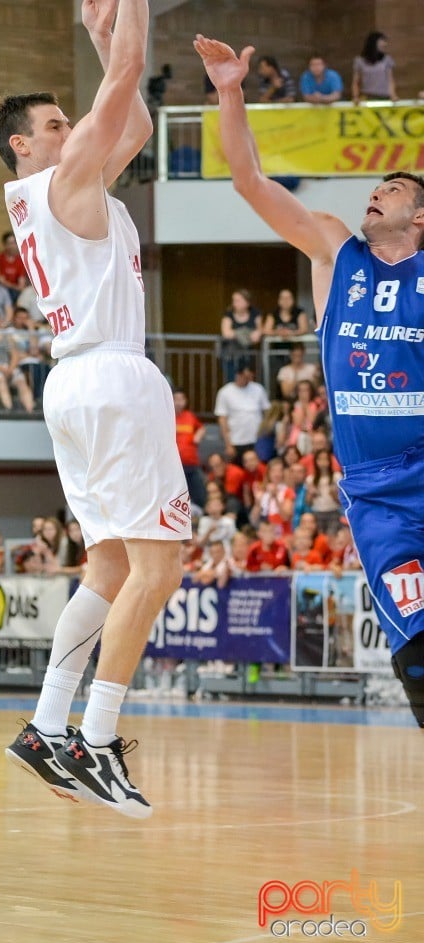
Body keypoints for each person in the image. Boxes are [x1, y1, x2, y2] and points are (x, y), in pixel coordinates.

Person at [0, 0, 189, 817]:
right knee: (160, 566)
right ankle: (99, 736)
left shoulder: (67, 187)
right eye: (55, 120)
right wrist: (130, 11)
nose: (71, 127)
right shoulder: (61, 179)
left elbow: (131, 120)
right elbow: (126, 86)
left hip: (73, 385)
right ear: (23, 145)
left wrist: (100, 34)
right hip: (110, 377)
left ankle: (45, 723)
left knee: (108, 565)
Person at [195, 31, 424, 724]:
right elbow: (249, 182)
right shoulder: (333, 250)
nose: (377, 193)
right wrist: (230, 92)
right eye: (377, 186)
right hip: (377, 493)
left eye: (394, 189)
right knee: (416, 655)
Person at [214, 361, 270, 464]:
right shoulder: (225, 392)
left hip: (256, 439)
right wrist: (228, 444)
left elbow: (267, 412)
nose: (247, 380)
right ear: (238, 375)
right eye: (245, 376)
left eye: (250, 377)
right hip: (236, 440)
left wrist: (265, 433)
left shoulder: (258, 389)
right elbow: (222, 419)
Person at [173, 388, 207, 511]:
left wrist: (198, 435)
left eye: (181, 399)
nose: (178, 402)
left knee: (199, 494)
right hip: (175, 465)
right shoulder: (167, 416)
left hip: (191, 463)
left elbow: (202, 428)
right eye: (175, 399)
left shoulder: (190, 417)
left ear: (185, 401)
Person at [352, 31, 398, 103]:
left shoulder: (387, 59)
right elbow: (356, 82)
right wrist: (355, 97)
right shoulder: (359, 61)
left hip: (384, 97)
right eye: (382, 41)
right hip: (366, 97)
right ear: (374, 42)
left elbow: (390, 80)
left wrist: (393, 95)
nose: (385, 44)